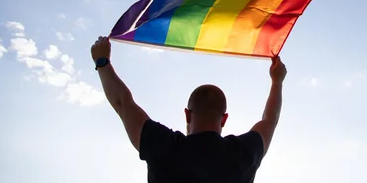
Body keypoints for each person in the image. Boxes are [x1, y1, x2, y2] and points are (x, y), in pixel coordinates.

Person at [91, 36, 287, 182]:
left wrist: (102, 62)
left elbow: (123, 103)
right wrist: (277, 80)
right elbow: (270, 119)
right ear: (224, 119)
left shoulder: (164, 146)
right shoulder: (244, 153)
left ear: (187, 114)